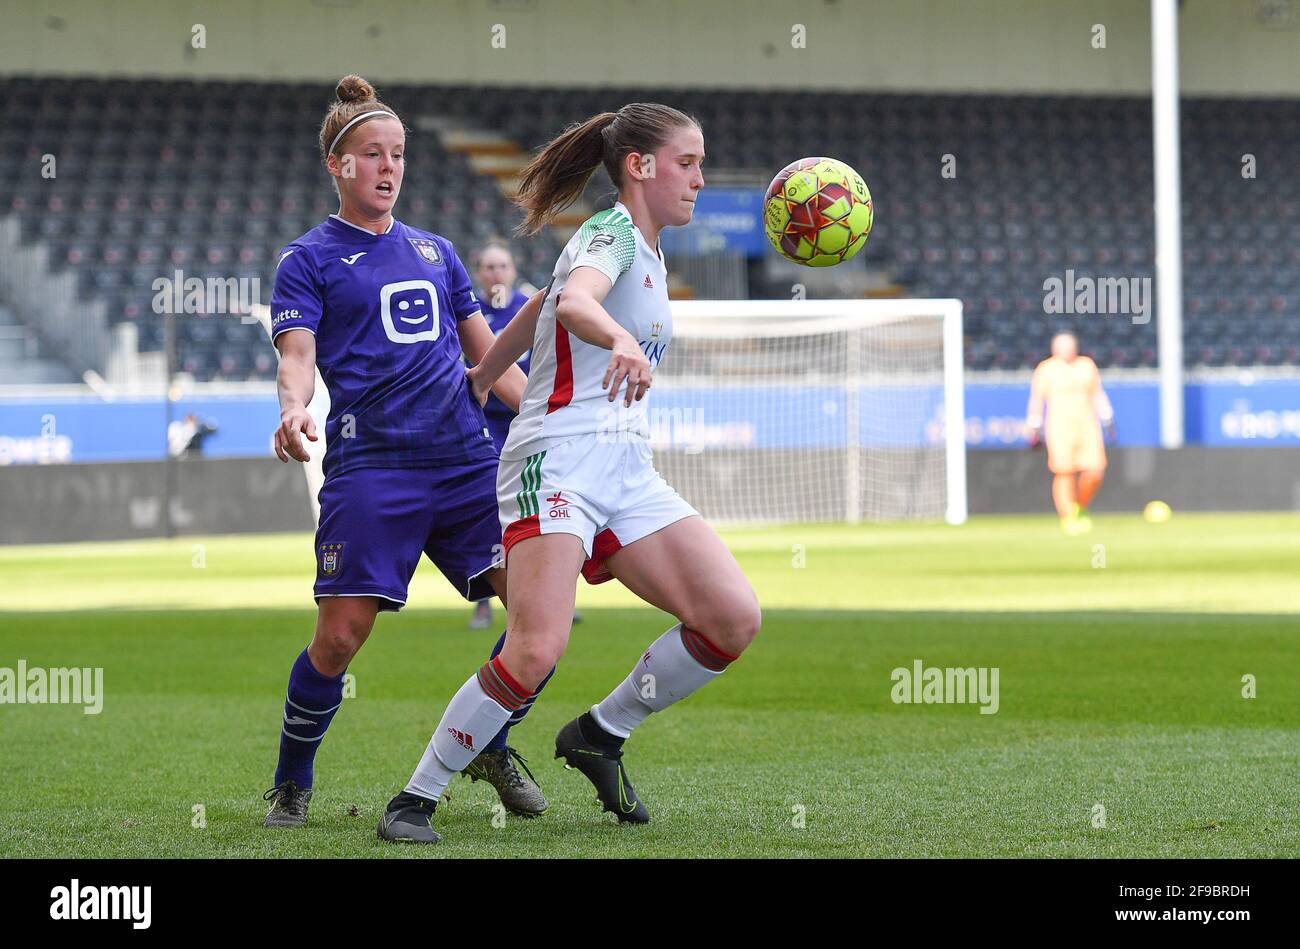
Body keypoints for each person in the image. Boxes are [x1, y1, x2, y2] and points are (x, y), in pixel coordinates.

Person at [377, 103, 761, 844]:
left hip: (625, 465)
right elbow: (578, 300)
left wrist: (486, 369)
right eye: (689, 162)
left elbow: (547, 299)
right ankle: (414, 798)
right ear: (641, 166)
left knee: (732, 618)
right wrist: (617, 334)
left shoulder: (641, 247)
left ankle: (601, 732)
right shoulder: (609, 231)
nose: (701, 179)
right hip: (556, 457)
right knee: (536, 645)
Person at [262, 75, 553, 829]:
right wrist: (293, 409)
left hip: (464, 464)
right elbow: (297, 357)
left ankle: (489, 739)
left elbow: (491, 365)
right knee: (339, 638)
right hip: (372, 468)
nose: (388, 167)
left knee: (539, 616)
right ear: (339, 164)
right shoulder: (308, 259)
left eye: (397, 154)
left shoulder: (437, 250)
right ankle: (293, 780)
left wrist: (563, 419)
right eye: (372, 154)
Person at [467, 240, 532, 631]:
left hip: (526, 422)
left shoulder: (528, 310)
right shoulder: (468, 315)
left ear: (512, 270)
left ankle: (550, 597)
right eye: (488, 267)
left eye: (502, 266)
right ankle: (484, 603)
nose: (495, 273)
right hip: (485, 427)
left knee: (535, 507)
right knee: (491, 511)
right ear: (479, 273)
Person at [1026, 332, 1115, 535]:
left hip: (1087, 426)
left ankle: (1079, 506)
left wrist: (1107, 416)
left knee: (1094, 472)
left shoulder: (1086, 365)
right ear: (1054, 349)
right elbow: (1037, 398)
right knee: (1064, 472)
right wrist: (1034, 423)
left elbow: (1097, 393)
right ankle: (1068, 517)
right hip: (1059, 427)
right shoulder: (1046, 369)